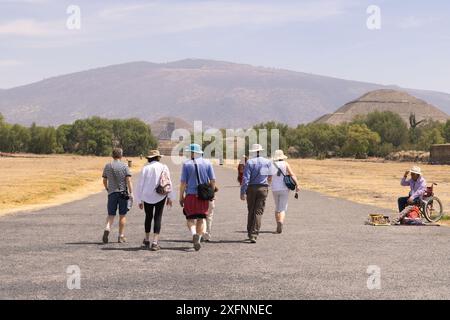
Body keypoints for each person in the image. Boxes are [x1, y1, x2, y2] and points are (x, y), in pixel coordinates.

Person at [179, 144, 216, 251]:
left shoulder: (186, 164)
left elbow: (183, 183)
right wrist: (211, 194)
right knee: (201, 219)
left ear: (192, 153)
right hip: (203, 196)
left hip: (190, 195)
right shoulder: (207, 163)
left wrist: (181, 197)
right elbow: (213, 180)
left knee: (190, 219)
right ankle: (198, 239)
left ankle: (194, 233)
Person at [135, 150, 174, 251]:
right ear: (158, 157)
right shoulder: (164, 167)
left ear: (149, 158)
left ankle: (147, 239)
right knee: (158, 217)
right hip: (160, 195)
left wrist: (139, 200)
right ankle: (155, 242)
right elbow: (168, 181)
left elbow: (140, 184)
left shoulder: (145, 168)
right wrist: (170, 196)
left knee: (148, 216)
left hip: (147, 196)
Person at [240, 144, 272, 243]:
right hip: (263, 188)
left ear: (253, 152)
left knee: (251, 210)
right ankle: (254, 234)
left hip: (251, 188)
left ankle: (250, 233)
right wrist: (267, 186)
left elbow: (245, 179)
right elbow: (270, 176)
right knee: (258, 212)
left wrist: (243, 192)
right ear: (261, 151)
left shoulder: (249, 162)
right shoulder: (267, 162)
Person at [102, 148, 133, 244]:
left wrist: (107, 188)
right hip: (122, 193)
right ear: (121, 156)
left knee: (111, 214)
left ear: (112, 155)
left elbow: (104, 180)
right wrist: (131, 193)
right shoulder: (124, 166)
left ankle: (107, 227)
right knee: (122, 215)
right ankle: (121, 236)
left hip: (112, 193)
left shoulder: (108, 165)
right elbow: (128, 180)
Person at [270, 149, 300, 234]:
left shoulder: (271, 164)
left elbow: (269, 177)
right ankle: (281, 222)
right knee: (282, 208)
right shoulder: (285, 164)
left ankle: (277, 225)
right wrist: (297, 185)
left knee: (277, 207)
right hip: (284, 188)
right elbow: (292, 174)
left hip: (274, 189)